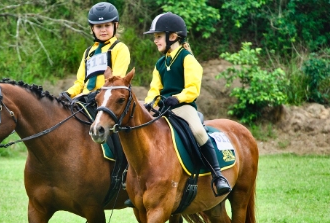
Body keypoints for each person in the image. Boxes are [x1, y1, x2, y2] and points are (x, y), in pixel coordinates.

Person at [143, 12, 231, 196]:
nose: (155, 40)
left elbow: (192, 89)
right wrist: (150, 102)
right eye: (155, 37)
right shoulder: (160, 63)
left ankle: (218, 175)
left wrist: (177, 98)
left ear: (172, 36)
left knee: (198, 131)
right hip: (163, 108)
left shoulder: (187, 58)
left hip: (183, 107)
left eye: (158, 36)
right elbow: (154, 88)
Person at [61, 2, 131, 101]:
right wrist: (68, 93)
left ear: (116, 25)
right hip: (84, 98)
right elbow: (80, 82)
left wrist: (95, 95)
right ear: (92, 28)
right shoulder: (88, 52)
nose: (103, 30)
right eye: (99, 26)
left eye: (107, 25)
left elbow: (116, 81)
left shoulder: (120, 48)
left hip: (106, 99)